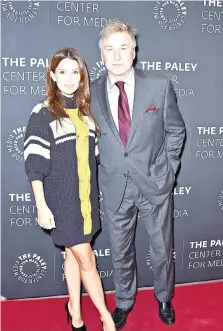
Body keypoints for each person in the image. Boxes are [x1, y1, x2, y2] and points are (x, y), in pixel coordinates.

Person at [90, 19, 185, 330]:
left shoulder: (159, 85)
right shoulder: (89, 94)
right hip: (115, 186)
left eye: (123, 48)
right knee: (120, 252)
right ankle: (124, 303)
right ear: (101, 53)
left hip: (154, 185)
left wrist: (168, 171)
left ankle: (163, 299)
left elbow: (175, 131)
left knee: (161, 247)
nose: (116, 56)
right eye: (109, 49)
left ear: (134, 51)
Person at [24, 48, 116, 331]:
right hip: (61, 203)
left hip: (86, 200)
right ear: (52, 75)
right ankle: (106, 316)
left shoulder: (86, 116)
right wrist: (41, 205)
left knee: (72, 255)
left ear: (82, 77)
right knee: (87, 259)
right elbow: (34, 163)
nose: (68, 78)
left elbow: (94, 160)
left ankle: (75, 312)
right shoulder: (43, 112)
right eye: (62, 72)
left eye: (74, 72)